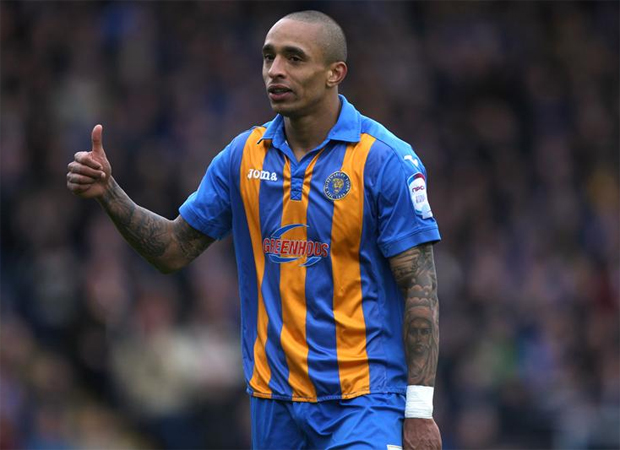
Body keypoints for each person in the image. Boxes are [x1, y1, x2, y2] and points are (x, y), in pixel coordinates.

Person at [66, 10, 442, 450]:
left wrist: (419, 410)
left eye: (294, 59)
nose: (275, 70)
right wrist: (109, 192)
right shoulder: (243, 157)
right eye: (269, 57)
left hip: (364, 403)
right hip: (275, 406)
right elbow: (172, 249)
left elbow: (420, 286)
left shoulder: (384, 160)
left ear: (334, 73)